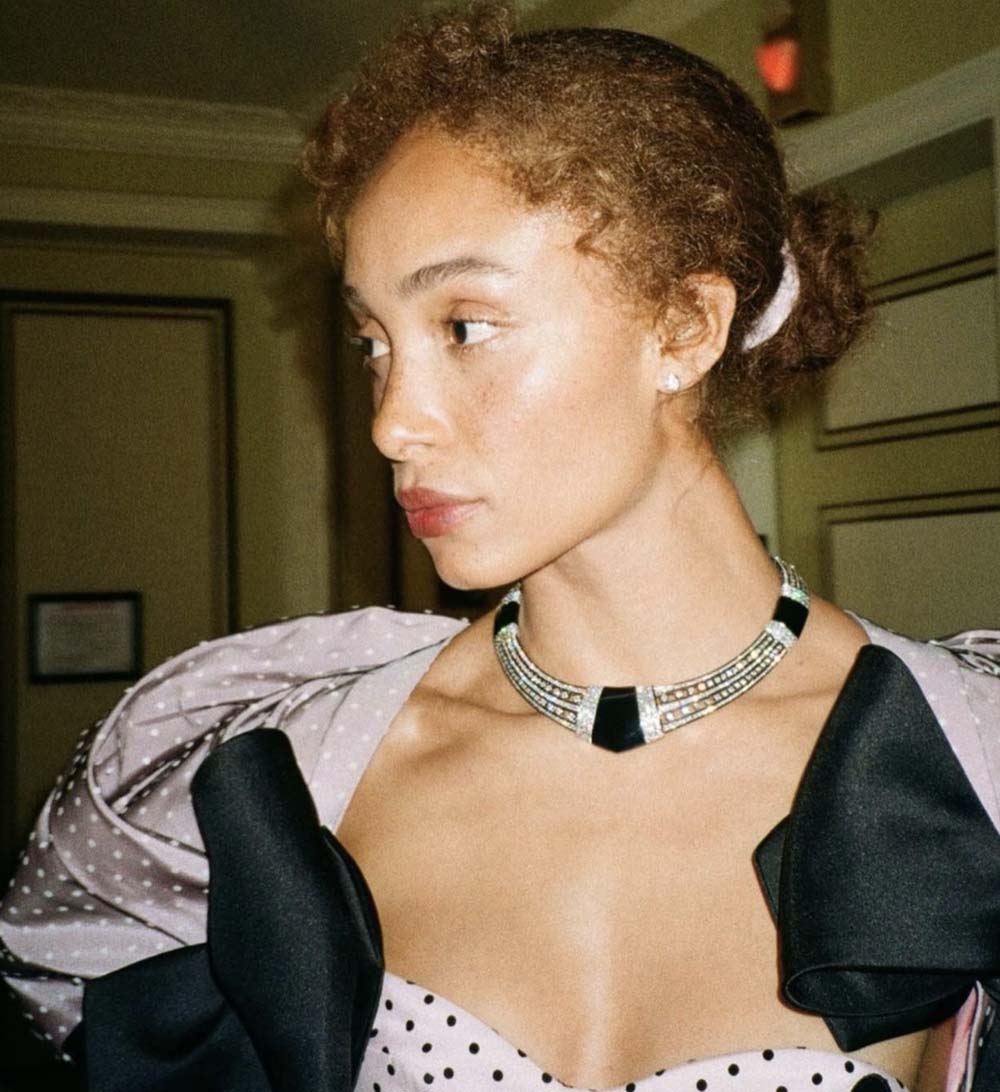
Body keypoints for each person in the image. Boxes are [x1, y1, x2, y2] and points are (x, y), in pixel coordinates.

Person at [3, 4, 999, 1091]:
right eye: (374, 343)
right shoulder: (288, 769)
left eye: (464, 327)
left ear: (685, 327)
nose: (392, 423)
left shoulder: (968, 758)